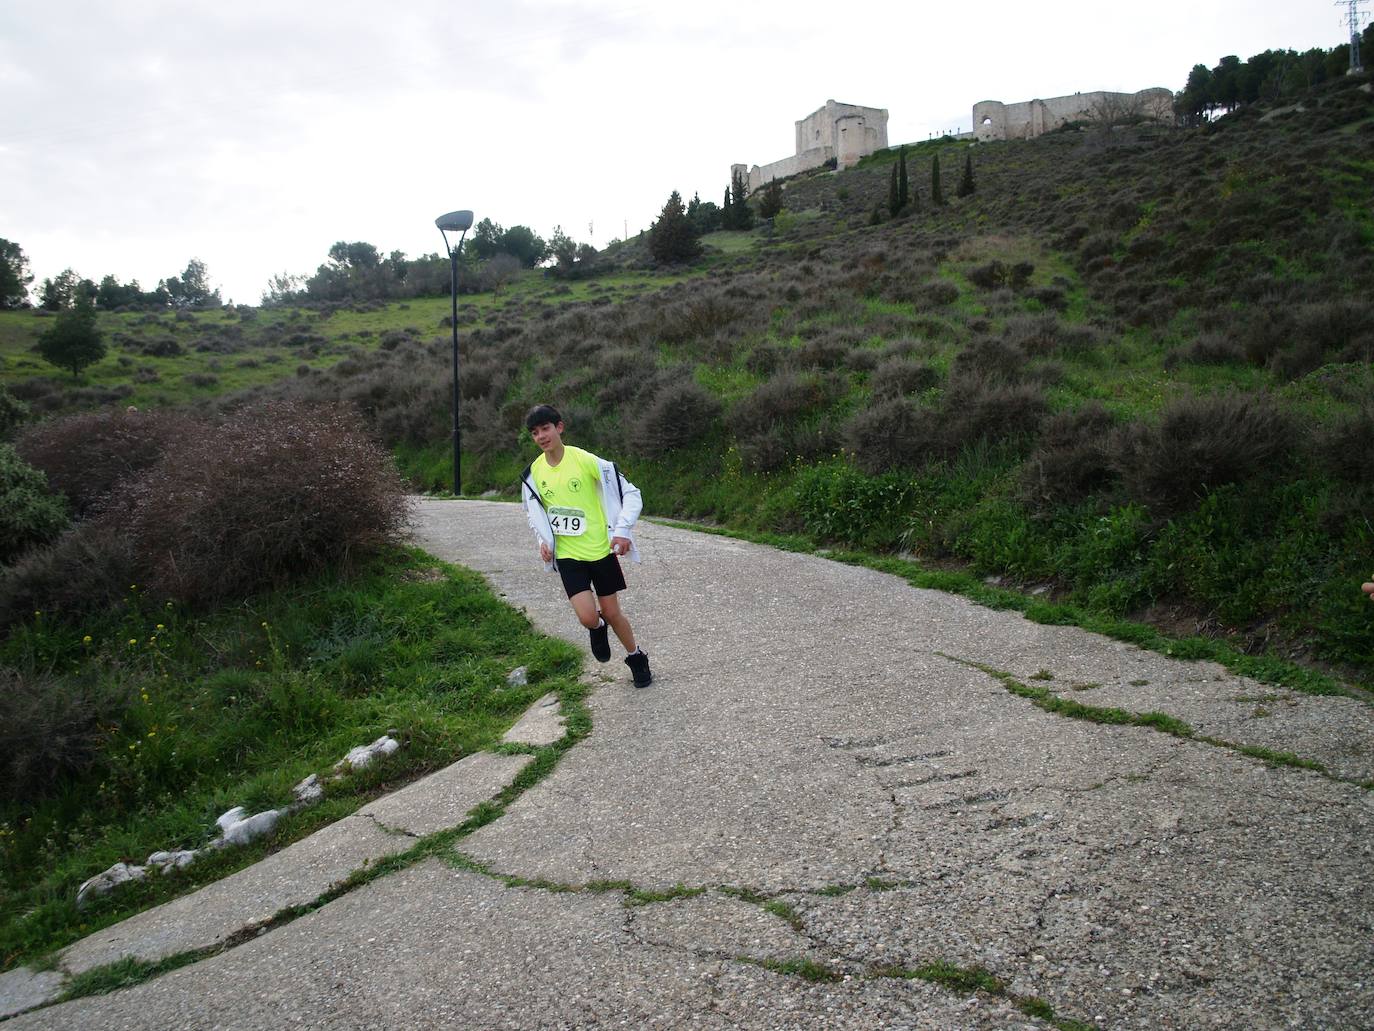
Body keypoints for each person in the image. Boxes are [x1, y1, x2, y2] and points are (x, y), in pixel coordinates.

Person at [519, 404, 653, 687]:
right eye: (535, 433)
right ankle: (597, 627)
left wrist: (623, 530)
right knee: (588, 616)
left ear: (559, 427)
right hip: (568, 555)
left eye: (545, 428)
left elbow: (630, 492)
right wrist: (543, 541)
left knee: (614, 613)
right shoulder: (532, 475)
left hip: (600, 551)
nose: (541, 436)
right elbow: (535, 514)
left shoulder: (586, 460)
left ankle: (636, 657)